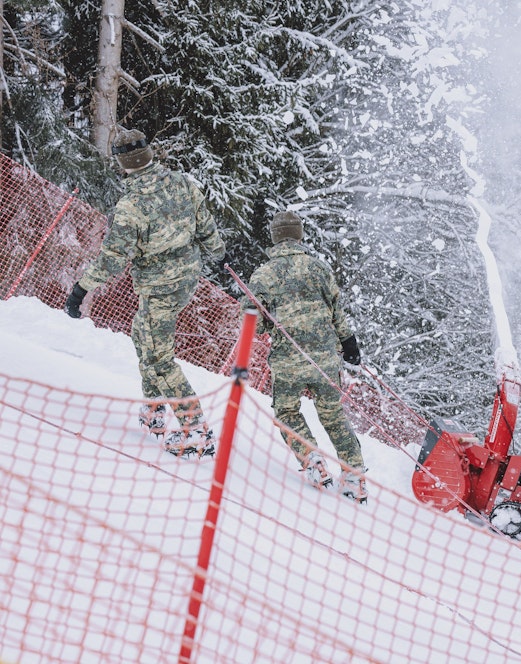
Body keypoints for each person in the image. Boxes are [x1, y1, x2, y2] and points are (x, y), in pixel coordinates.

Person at [65, 127, 225, 458]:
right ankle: (154, 410)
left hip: (160, 288)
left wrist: (82, 288)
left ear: (122, 164)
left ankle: (196, 430)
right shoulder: (181, 182)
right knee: (143, 334)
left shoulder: (132, 204)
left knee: (158, 358)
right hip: (186, 280)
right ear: (149, 154)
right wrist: (219, 253)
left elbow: (112, 257)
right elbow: (206, 225)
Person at [243, 210, 367, 503]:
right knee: (333, 414)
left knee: (286, 412)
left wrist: (267, 320)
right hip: (324, 358)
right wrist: (348, 343)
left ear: (275, 237)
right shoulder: (320, 269)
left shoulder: (263, 275)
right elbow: (336, 311)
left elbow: (252, 321)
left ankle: (312, 460)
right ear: (299, 236)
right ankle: (354, 478)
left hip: (288, 361)